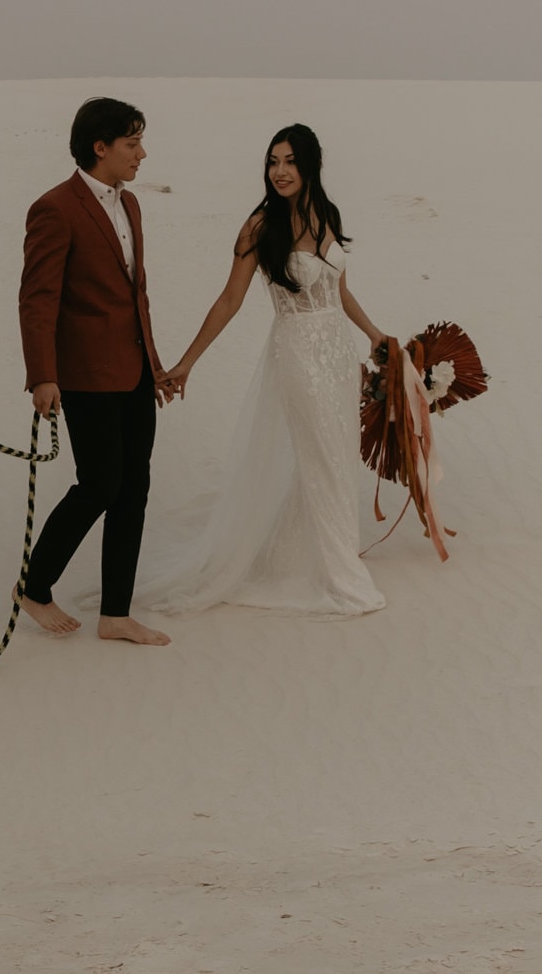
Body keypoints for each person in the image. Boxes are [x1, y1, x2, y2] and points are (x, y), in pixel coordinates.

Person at [141, 124, 390, 616]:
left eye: (290, 161)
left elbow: (338, 291)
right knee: (320, 456)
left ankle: (322, 556)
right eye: (273, 162)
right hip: (296, 351)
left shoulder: (327, 213)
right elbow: (230, 299)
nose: (280, 171)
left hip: (338, 353)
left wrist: (374, 334)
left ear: (310, 165)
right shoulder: (258, 226)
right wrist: (186, 363)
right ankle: (340, 574)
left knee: (337, 455)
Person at [16, 97, 177, 646]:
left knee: (134, 488)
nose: (142, 153)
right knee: (100, 484)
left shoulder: (131, 206)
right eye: (132, 143)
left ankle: (116, 614)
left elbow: (139, 296)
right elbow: (37, 299)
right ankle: (34, 587)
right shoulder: (54, 208)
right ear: (99, 146)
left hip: (134, 373)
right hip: (82, 375)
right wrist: (43, 374)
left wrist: (154, 366)